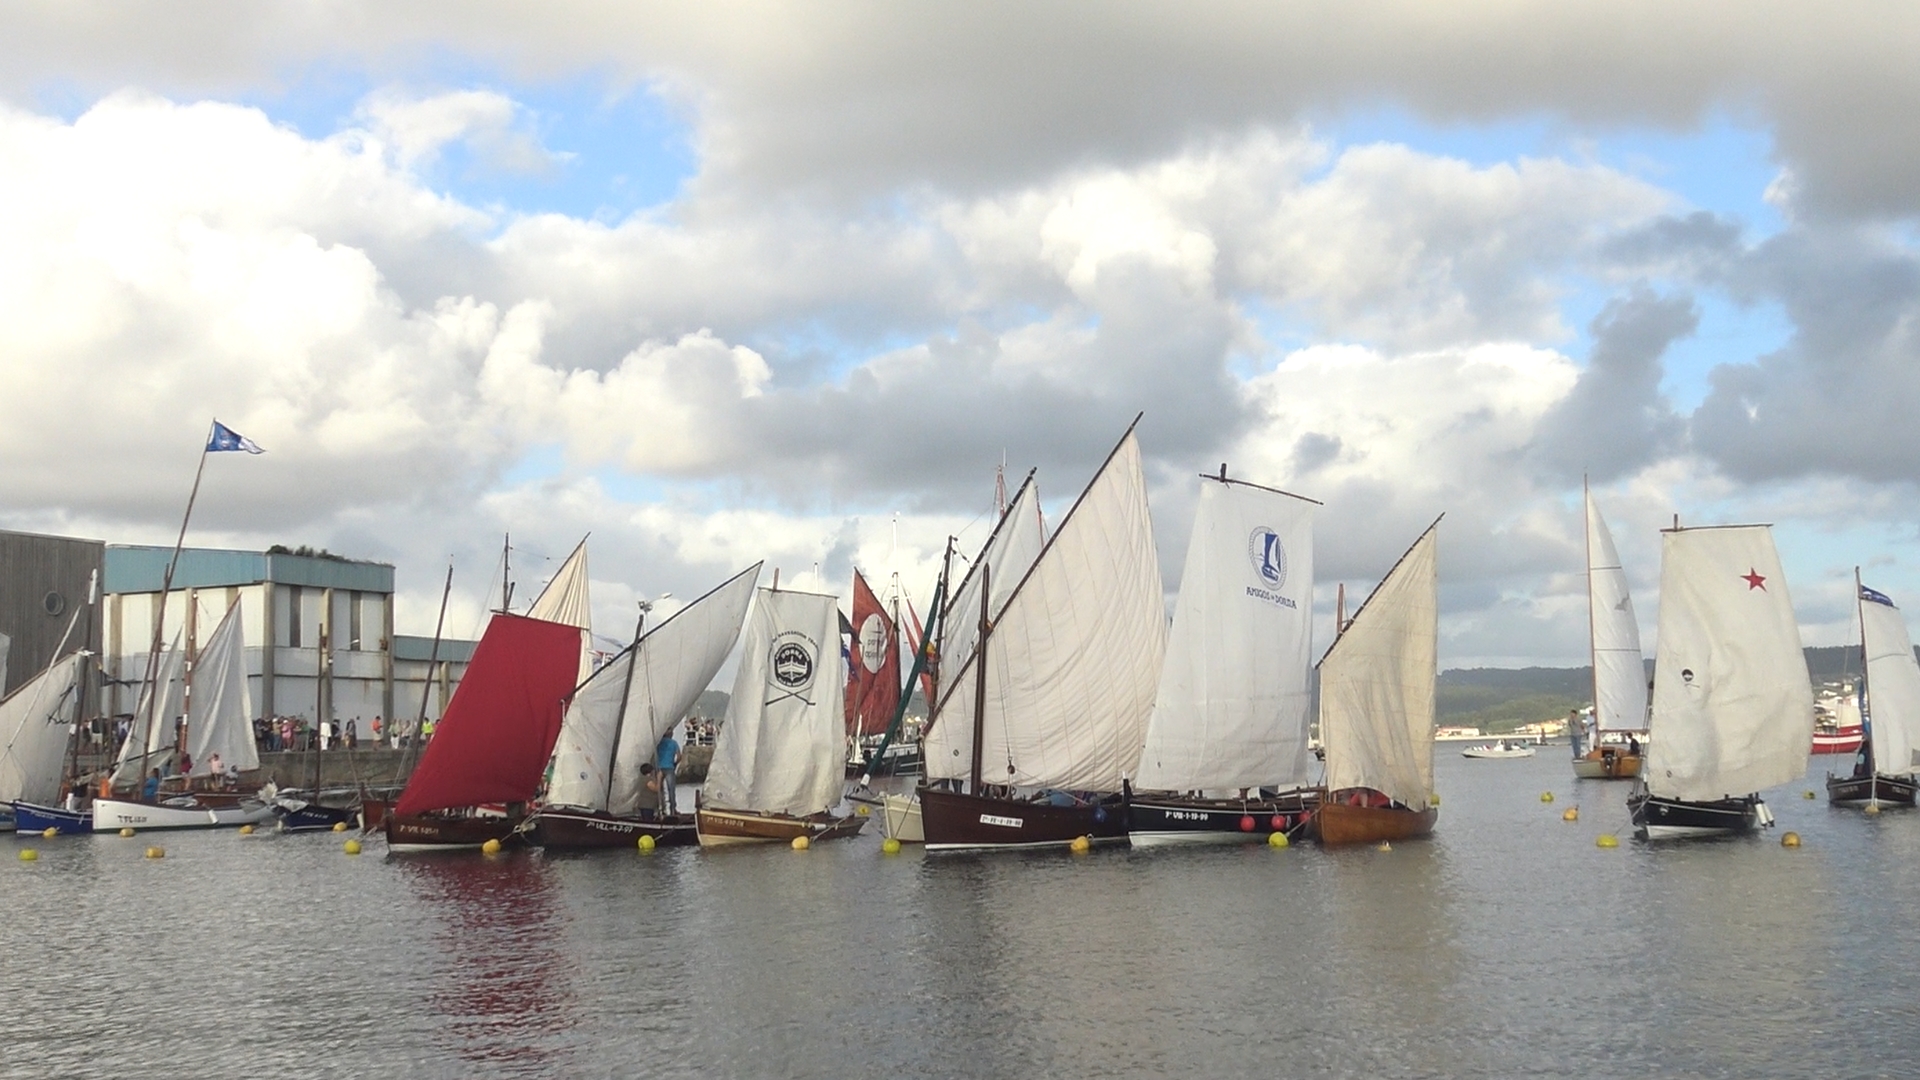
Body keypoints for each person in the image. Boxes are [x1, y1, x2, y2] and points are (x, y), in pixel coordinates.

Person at [656, 731, 681, 815]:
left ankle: (660, 808)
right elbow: (679, 756)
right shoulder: (674, 743)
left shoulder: (658, 743)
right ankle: (673, 810)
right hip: (669, 767)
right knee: (671, 789)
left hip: (659, 768)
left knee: (659, 789)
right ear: (671, 734)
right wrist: (675, 764)